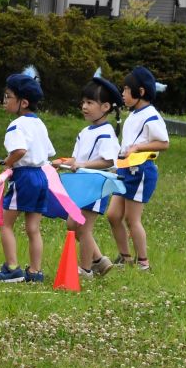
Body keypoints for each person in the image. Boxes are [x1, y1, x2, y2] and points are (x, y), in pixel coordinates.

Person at [0, 69, 55, 283]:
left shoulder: (16, 125)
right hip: (42, 177)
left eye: (8, 97)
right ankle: (35, 272)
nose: (4, 100)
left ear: (23, 102)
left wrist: (7, 162)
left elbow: (19, 151)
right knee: (33, 228)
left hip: (24, 177)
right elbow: (49, 153)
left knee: (6, 224)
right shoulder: (39, 123)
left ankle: (12, 268)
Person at [52, 74, 122, 277]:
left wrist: (83, 164)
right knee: (73, 224)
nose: (84, 106)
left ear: (106, 107)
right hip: (82, 185)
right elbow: (76, 159)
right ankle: (100, 260)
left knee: (82, 226)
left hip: (96, 185)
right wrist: (62, 163)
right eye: (83, 102)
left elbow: (109, 161)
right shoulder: (84, 132)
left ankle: (85, 269)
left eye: (90, 102)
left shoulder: (107, 133)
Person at [106, 66, 170, 271]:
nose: (123, 94)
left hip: (140, 171)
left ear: (140, 92)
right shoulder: (134, 115)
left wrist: (138, 147)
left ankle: (143, 263)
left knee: (132, 219)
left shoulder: (151, 115)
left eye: (126, 90)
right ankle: (125, 258)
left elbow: (164, 143)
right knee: (113, 215)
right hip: (125, 170)